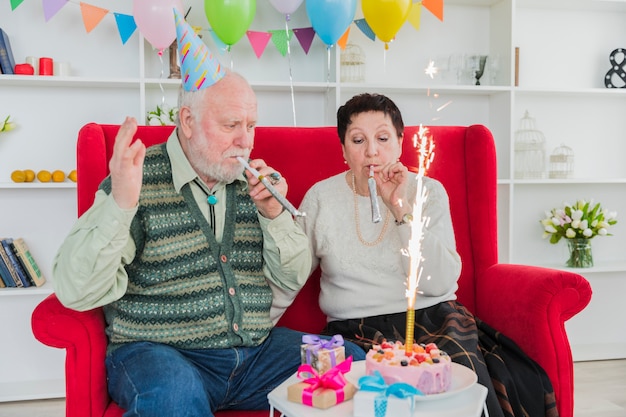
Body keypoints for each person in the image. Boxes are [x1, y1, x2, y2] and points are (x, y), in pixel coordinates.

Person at [52, 12, 364, 417]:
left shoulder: (256, 188)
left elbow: (292, 277)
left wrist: (273, 216)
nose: (245, 141)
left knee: (353, 362)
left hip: (254, 356)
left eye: (251, 125)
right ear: (187, 121)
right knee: (173, 398)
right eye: (231, 124)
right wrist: (121, 204)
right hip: (161, 352)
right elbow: (75, 290)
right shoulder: (136, 178)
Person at [295, 93, 558, 417]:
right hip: (355, 329)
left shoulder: (429, 192)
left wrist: (401, 210)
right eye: (358, 140)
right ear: (344, 149)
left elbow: (440, 281)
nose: (372, 151)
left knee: (463, 389)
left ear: (400, 142)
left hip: (434, 316)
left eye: (382, 138)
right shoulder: (320, 197)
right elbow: (291, 272)